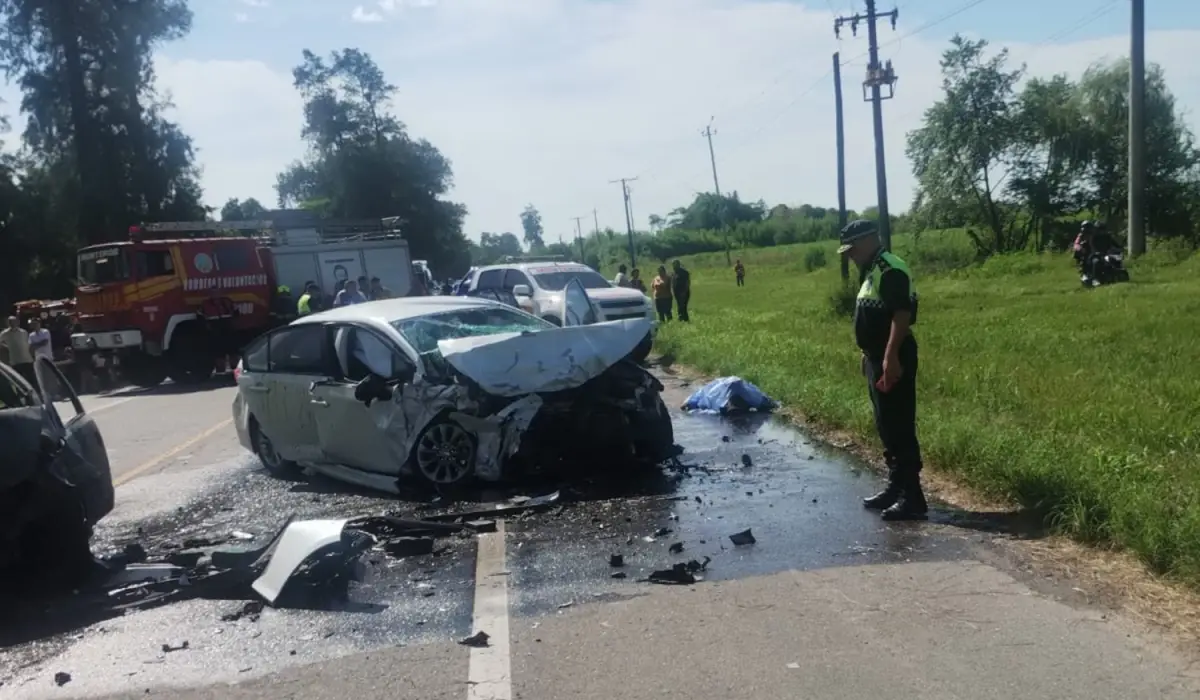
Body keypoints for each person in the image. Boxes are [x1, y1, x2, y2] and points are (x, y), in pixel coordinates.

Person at [839, 219, 926, 521]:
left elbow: (901, 316)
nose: (850, 255)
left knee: (899, 426)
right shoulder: (871, 270)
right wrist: (868, 354)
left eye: (852, 249)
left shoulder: (890, 269)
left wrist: (890, 358)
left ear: (867, 241)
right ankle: (895, 487)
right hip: (878, 357)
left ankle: (913, 498)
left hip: (895, 356)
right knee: (886, 425)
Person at [0, 316, 37, 390]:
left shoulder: (23, 332)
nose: (12, 323)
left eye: (14, 321)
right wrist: (6, 347)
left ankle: (36, 394)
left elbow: (28, 344)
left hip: (27, 359)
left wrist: (33, 355)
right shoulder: (4, 333)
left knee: (32, 379)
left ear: (17, 322)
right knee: (19, 382)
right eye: (10, 322)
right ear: (8, 323)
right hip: (15, 361)